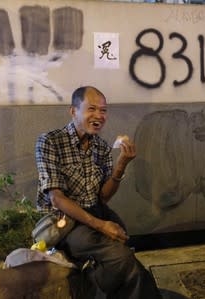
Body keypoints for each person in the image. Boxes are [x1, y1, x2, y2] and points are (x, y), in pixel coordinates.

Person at [35, 86, 162, 299]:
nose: (99, 116)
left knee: (124, 250)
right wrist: (101, 225)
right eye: (91, 109)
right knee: (122, 258)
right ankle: (87, 289)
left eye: (103, 110)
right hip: (65, 221)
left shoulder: (101, 147)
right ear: (73, 111)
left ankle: (94, 286)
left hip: (95, 211)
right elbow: (56, 198)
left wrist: (122, 164)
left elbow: (103, 196)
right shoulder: (49, 142)